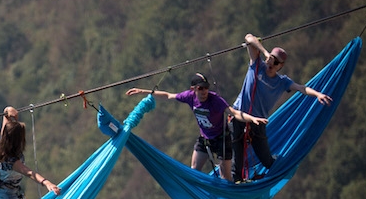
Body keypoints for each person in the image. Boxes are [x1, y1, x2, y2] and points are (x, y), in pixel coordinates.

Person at [126, 73, 268, 181]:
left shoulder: (215, 100)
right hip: (205, 139)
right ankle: (199, 194)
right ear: (193, 89)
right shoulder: (189, 97)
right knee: (194, 170)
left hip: (222, 140)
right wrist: (144, 92)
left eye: (206, 88)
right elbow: (168, 96)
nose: (204, 91)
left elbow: (234, 113)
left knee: (226, 178)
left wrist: (252, 119)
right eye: (200, 88)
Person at [230, 33, 333, 182]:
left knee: (267, 161)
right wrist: (265, 53)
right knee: (237, 161)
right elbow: (248, 37)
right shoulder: (257, 65)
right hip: (239, 116)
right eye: (272, 59)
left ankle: (280, 168)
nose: (272, 64)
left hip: (258, 122)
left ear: (281, 66)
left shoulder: (282, 82)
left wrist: (317, 94)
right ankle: (238, 186)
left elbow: (301, 88)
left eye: (277, 62)